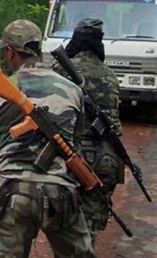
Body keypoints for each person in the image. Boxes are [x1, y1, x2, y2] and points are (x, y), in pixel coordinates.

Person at [0, 19, 95, 257]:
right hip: (58, 190)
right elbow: (76, 139)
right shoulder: (72, 90)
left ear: (11, 53)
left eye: (5, 52)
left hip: (9, 191)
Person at [52, 18, 123, 245]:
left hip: (69, 155)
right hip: (105, 159)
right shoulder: (109, 76)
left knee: (63, 223)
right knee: (90, 226)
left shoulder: (58, 70)